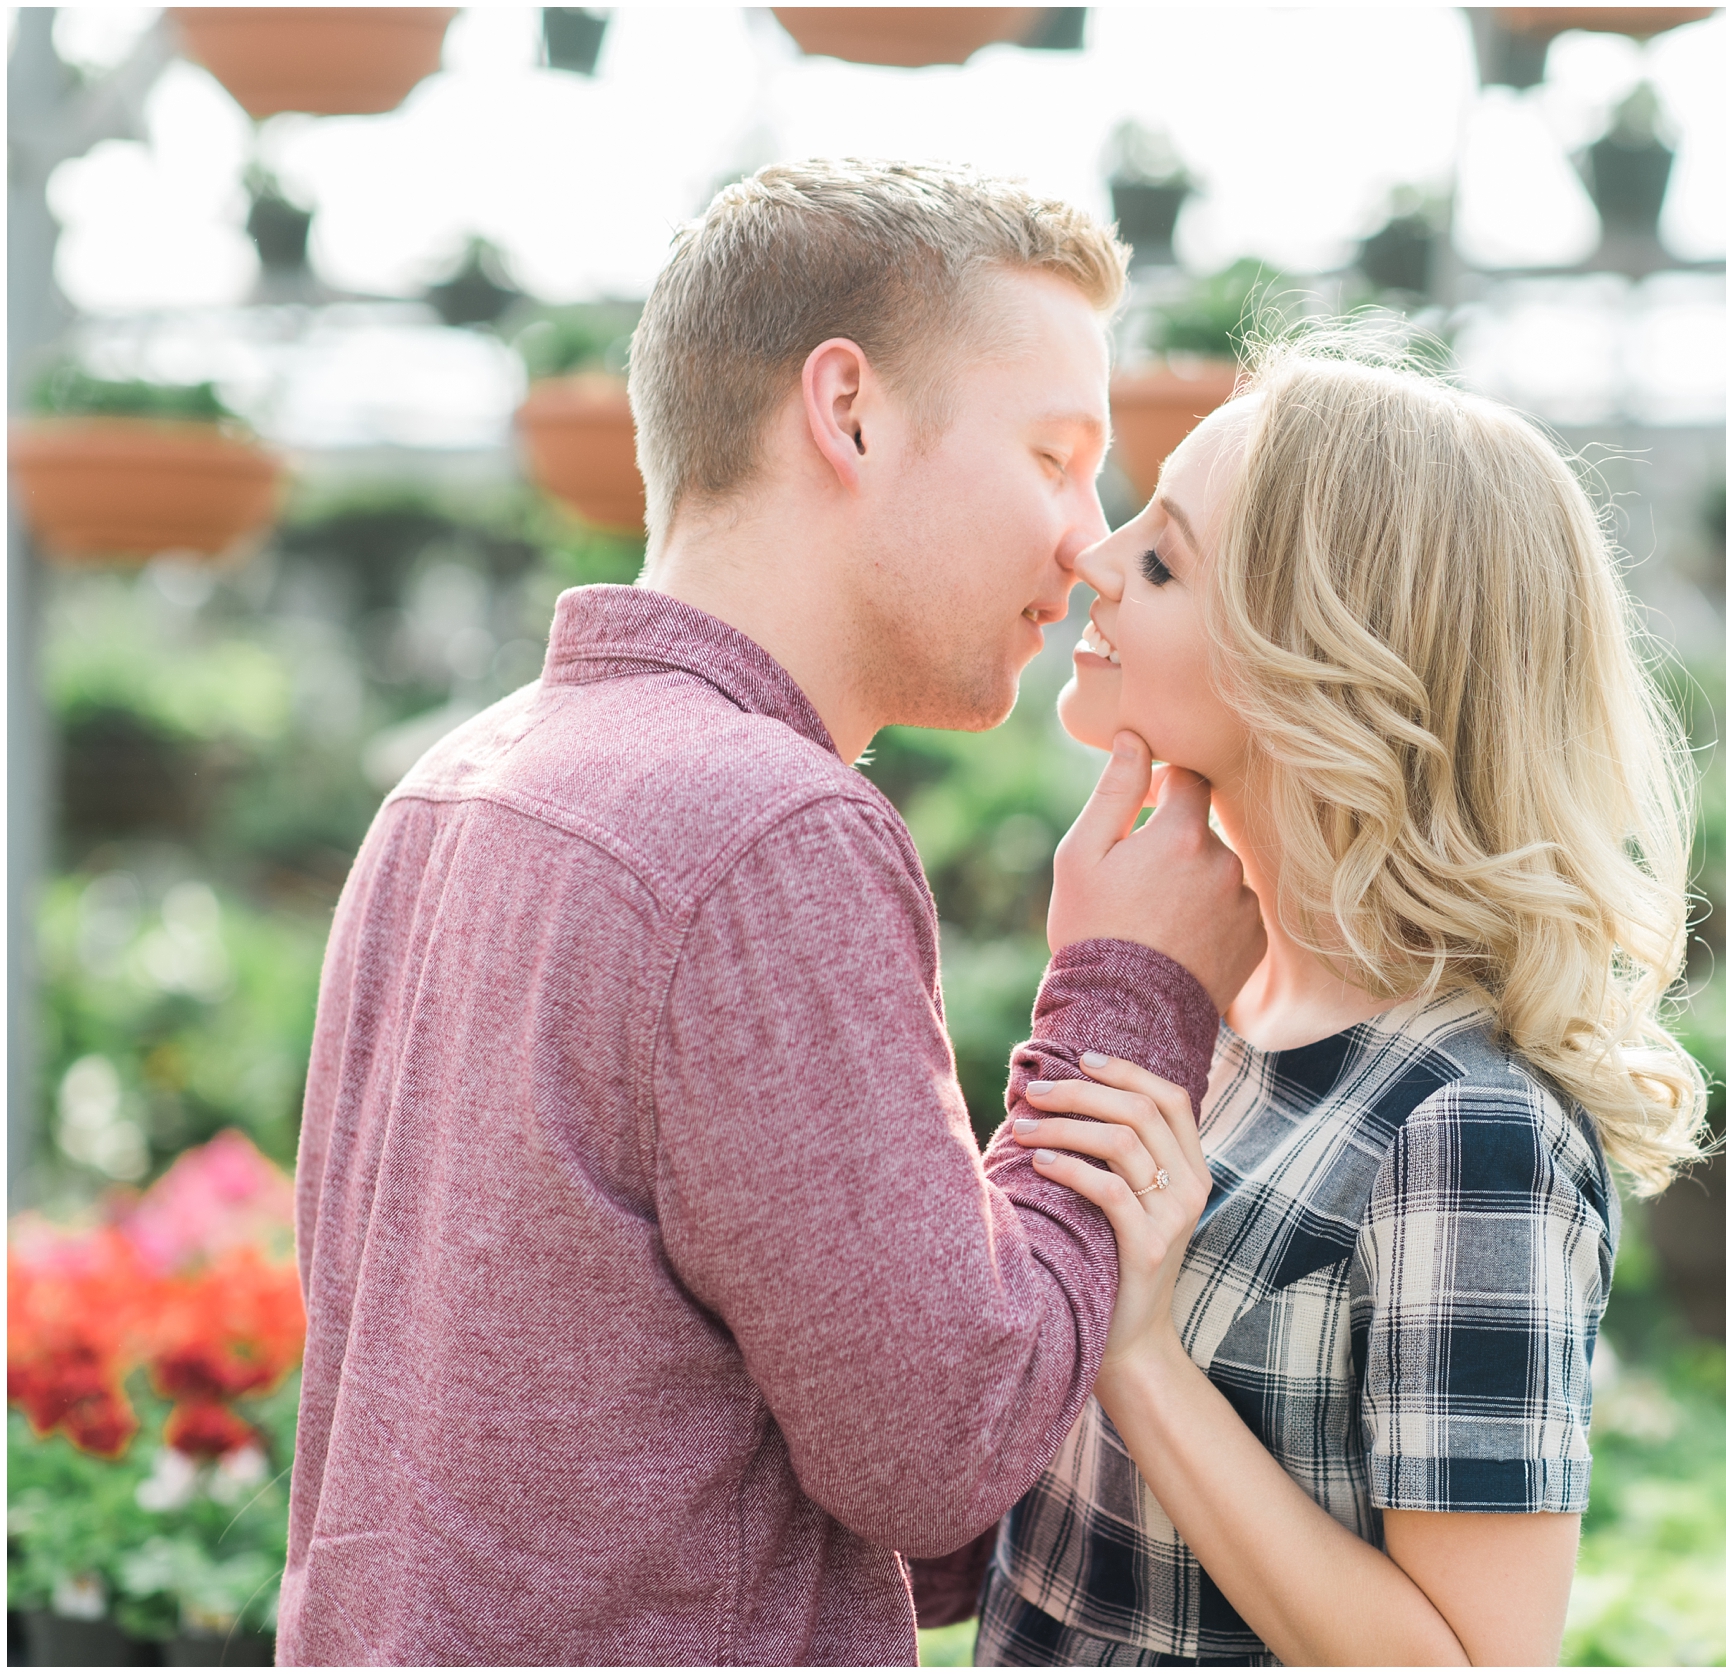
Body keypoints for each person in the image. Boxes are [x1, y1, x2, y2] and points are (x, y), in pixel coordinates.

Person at [276, 160, 1265, 1666]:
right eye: (1058, 456)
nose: (1087, 539)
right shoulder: (766, 829)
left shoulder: (449, 787)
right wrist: (1129, 994)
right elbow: (939, 1454)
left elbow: (880, 1491)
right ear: (848, 409)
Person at [968, 339, 1711, 1665]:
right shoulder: (1205, 1005)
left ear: (1317, 665)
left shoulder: (1472, 1130)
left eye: (1165, 557)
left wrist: (1140, 1356)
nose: (1093, 558)